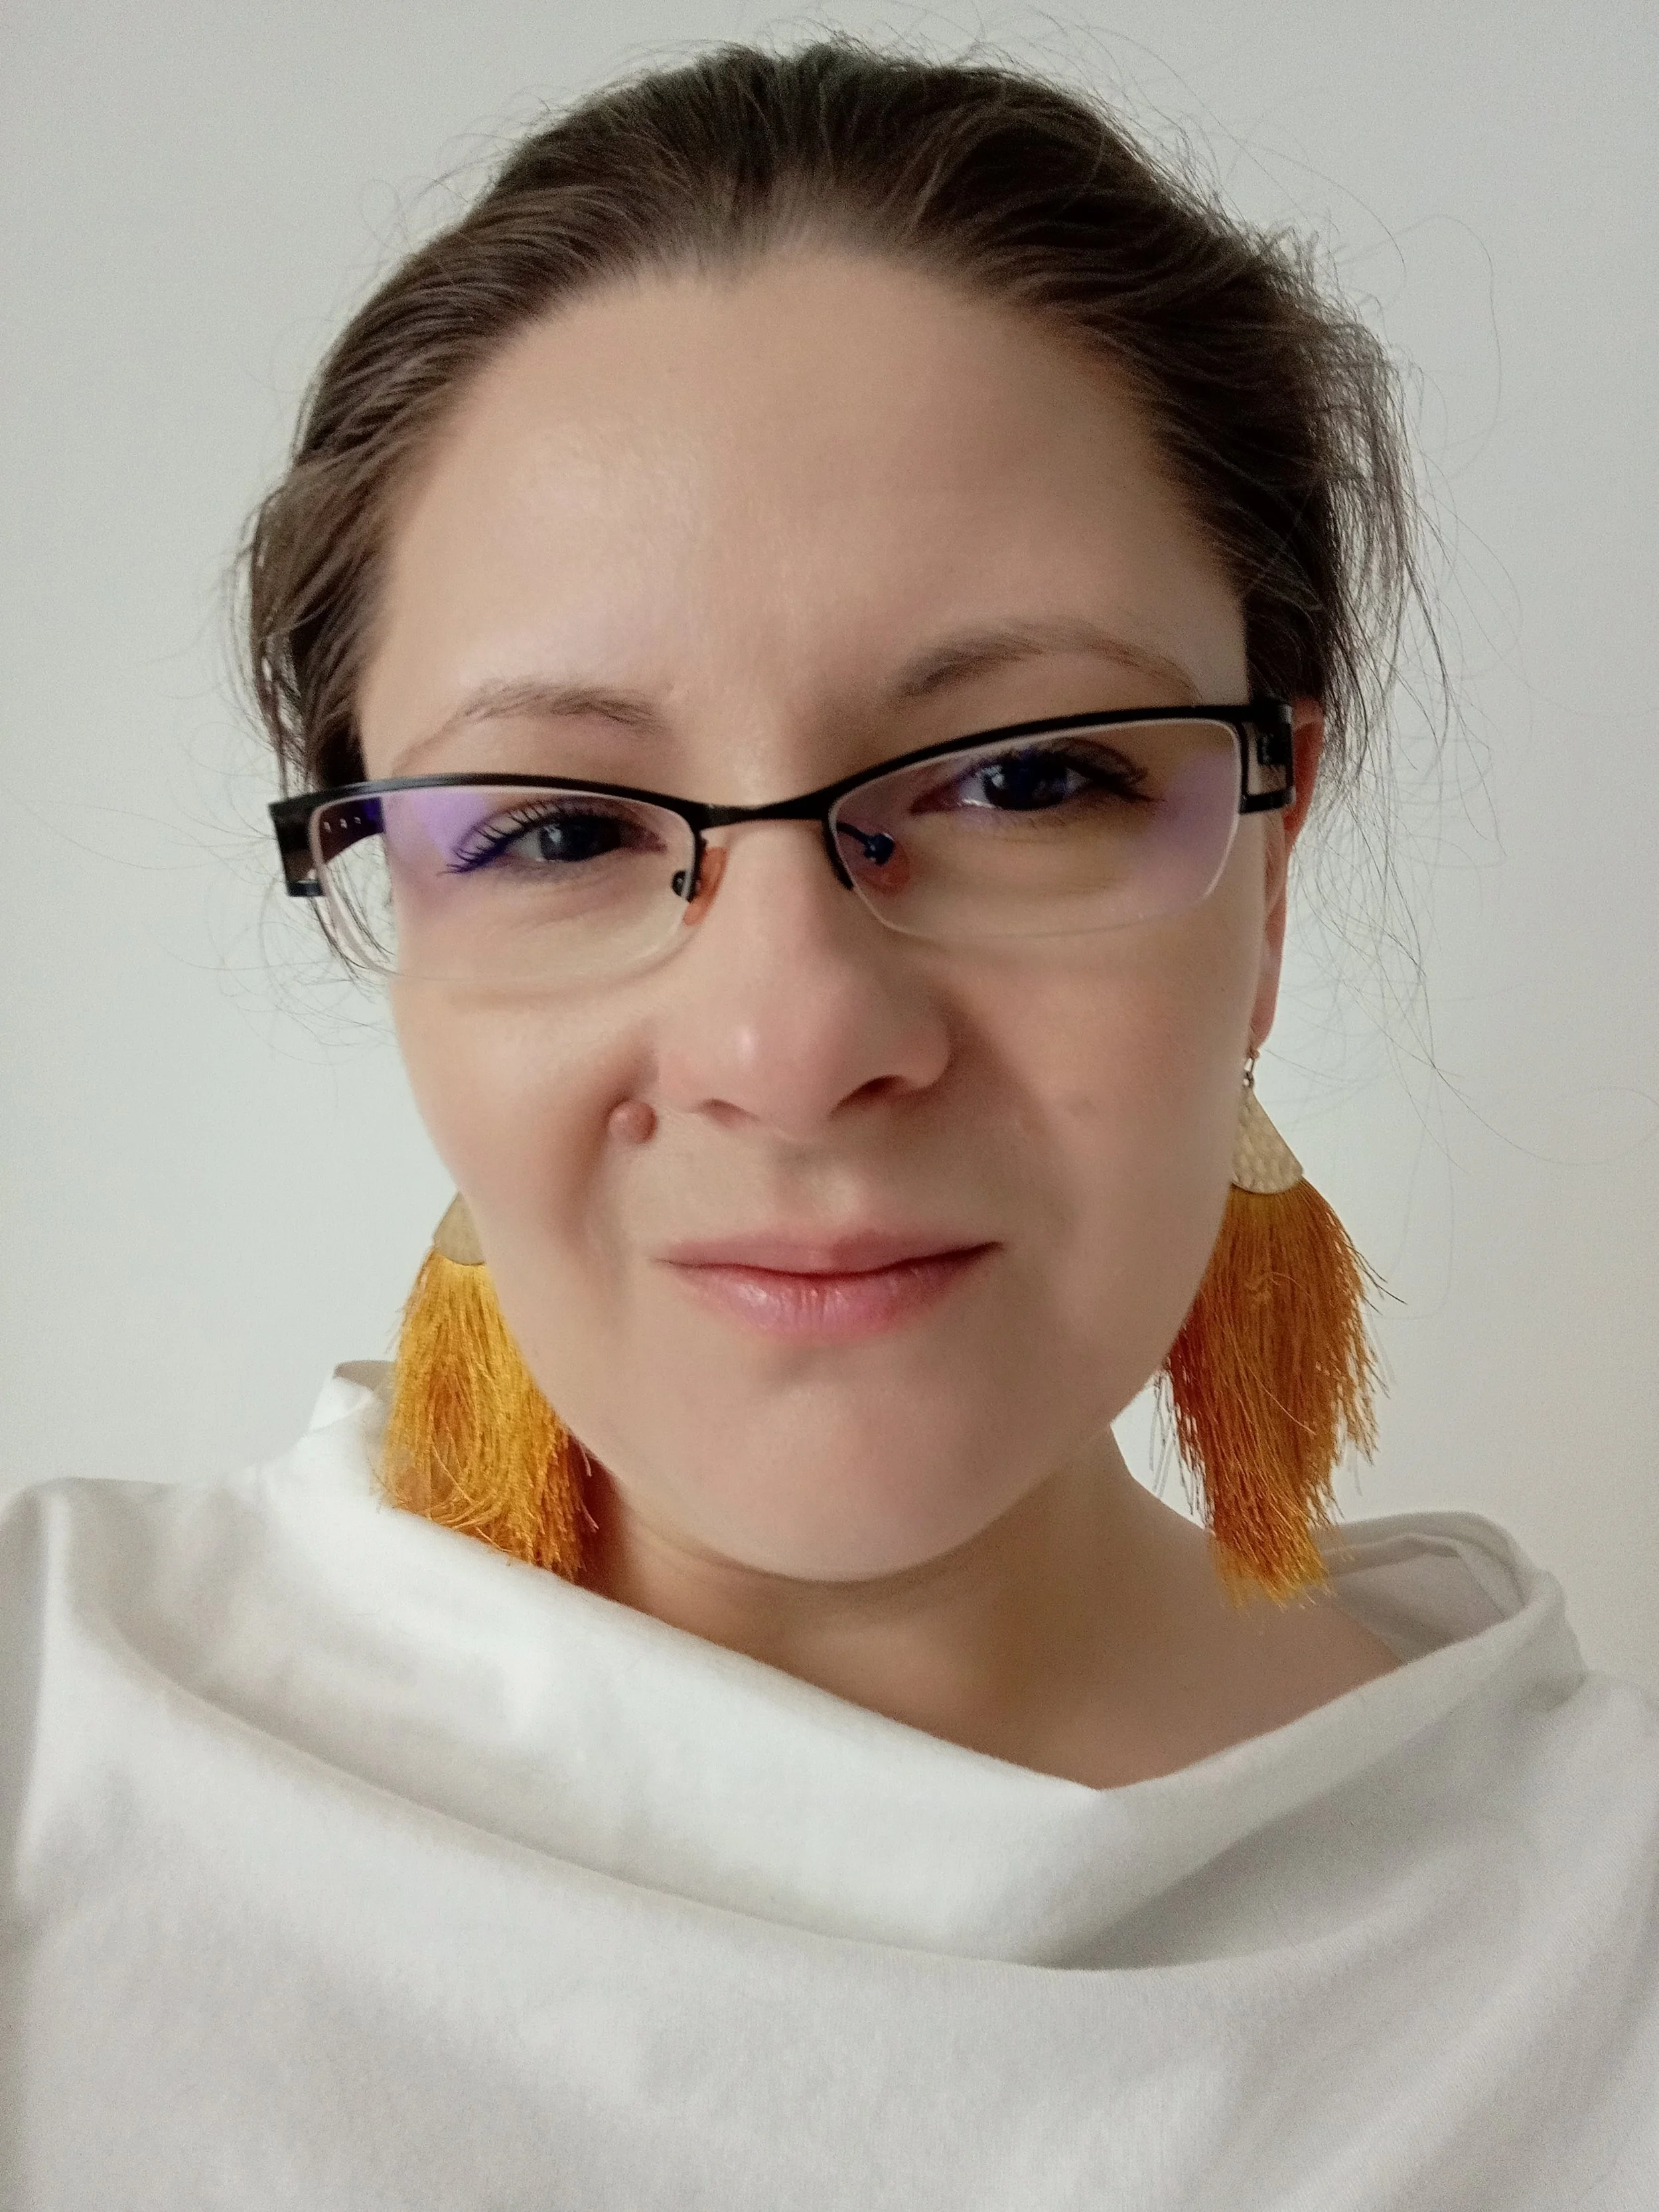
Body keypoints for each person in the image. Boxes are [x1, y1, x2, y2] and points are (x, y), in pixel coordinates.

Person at [3, 38, 1654, 2211]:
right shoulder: (53, 1750)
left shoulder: (1596, 1934)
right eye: (559, 827)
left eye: (1026, 777)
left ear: (1265, 869)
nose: (788, 1042)